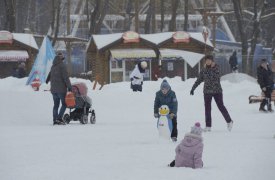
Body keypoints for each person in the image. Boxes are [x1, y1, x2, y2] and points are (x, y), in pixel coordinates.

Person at [190, 55, 233, 132]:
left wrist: (211, 68)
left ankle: (229, 121)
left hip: (217, 91)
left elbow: (215, 76)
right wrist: (193, 88)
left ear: (212, 61)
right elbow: (199, 80)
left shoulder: (217, 68)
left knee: (221, 106)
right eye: (207, 60)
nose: (208, 61)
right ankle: (208, 126)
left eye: (209, 60)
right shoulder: (203, 70)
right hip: (207, 92)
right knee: (207, 109)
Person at [46, 52, 72, 125]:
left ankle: (55, 119)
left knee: (56, 105)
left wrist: (47, 80)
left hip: (53, 89)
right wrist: (69, 87)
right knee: (64, 104)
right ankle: (59, 119)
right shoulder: (62, 66)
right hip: (61, 89)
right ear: (61, 58)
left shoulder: (53, 66)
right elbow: (65, 78)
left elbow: (50, 74)